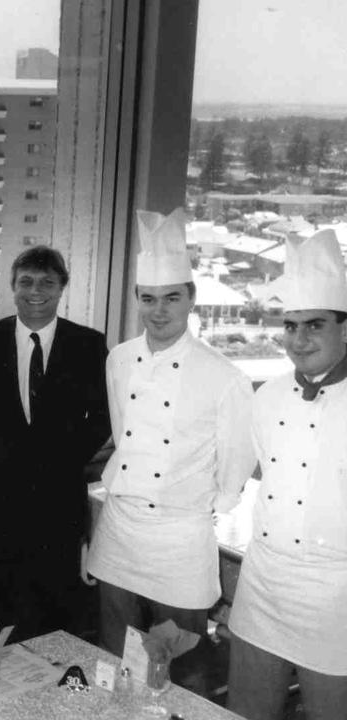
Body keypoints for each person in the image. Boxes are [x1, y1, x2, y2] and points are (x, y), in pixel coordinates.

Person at [87, 208, 254, 691]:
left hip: (181, 537)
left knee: (186, 663)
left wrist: (200, 507)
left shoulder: (224, 375)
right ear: (137, 298)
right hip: (120, 528)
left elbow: (236, 463)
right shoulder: (119, 360)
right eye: (149, 299)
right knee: (115, 654)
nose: (159, 311)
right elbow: (123, 433)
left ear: (191, 298)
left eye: (171, 298)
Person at [0, 245, 110, 642]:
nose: (35, 291)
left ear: (62, 288)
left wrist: (66, 457)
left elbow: (106, 415)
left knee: (55, 622)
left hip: (58, 504)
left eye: (47, 282)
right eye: (26, 282)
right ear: (12, 287)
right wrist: (0, 450)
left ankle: (57, 701)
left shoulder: (89, 344)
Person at [227, 228, 347, 720]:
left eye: (314, 325)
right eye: (290, 326)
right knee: (247, 713)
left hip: (336, 595)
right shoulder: (267, 396)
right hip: (265, 584)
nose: (298, 340)